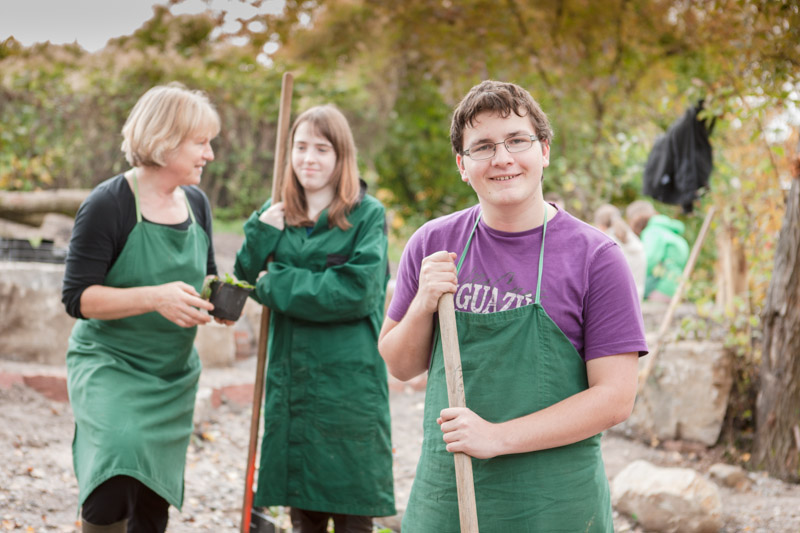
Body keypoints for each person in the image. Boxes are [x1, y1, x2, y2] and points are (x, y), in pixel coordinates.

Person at [379, 80, 648, 532]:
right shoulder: (433, 243)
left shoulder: (596, 257)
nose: (502, 158)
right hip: (449, 495)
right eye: (482, 146)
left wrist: (496, 437)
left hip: (554, 504)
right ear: (463, 165)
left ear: (543, 150)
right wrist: (423, 303)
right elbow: (400, 365)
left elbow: (615, 398)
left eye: (516, 140)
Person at [62, 84, 222, 532]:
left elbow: (205, 276)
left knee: (153, 495)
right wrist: (155, 296)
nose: (209, 154)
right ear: (166, 140)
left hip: (171, 374)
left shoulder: (196, 204)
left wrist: (220, 302)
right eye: (201, 142)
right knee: (113, 474)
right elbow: (78, 298)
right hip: (110, 364)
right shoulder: (107, 204)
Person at [233, 105, 395, 532]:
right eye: (300, 147)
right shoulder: (276, 212)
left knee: (353, 509)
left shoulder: (367, 215)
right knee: (303, 512)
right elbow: (244, 279)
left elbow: (355, 292)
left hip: (349, 384)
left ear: (341, 156)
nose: (309, 158)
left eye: (322, 149)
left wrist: (276, 284)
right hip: (293, 380)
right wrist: (261, 231)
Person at [625, 199, 690, 302]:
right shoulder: (667, 230)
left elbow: (648, 261)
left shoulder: (652, 232)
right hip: (676, 285)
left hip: (662, 287)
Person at [594, 203, 647, 301]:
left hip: (618, 299)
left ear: (601, 226)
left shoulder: (606, 244)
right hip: (637, 296)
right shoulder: (633, 238)